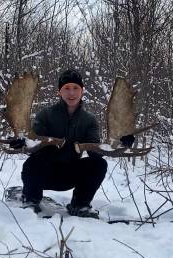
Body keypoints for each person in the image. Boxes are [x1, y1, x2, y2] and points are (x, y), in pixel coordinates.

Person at [10, 69, 133, 218]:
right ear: (59, 92)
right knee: (32, 163)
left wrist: (120, 143)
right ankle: (31, 200)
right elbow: (33, 144)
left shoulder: (89, 120)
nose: (71, 93)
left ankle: (80, 205)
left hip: (71, 174)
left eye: (75, 88)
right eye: (66, 88)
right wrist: (22, 142)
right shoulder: (46, 115)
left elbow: (95, 152)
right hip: (44, 173)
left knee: (99, 165)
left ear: (82, 91)